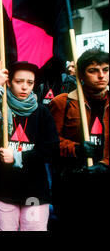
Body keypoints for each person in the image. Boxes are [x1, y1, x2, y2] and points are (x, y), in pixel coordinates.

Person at [0, 61, 59, 231]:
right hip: (3, 189)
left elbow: (51, 149)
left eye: (29, 83)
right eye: (19, 82)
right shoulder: (0, 108)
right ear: (9, 82)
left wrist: (19, 156)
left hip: (35, 191)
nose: (25, 87)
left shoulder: (42, 113)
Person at [49, 49, 109, 230]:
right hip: (72, 182)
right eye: (93, 70)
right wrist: (76, 149)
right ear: (81, 74)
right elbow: (50, 142)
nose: (101, 76)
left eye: (105, 70)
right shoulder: (62, 102)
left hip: (104, 181)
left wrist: (105, 164)